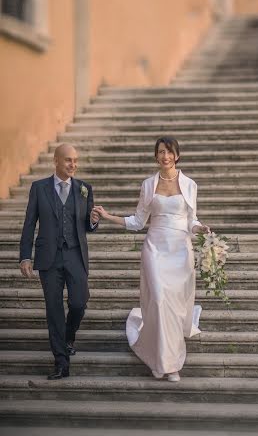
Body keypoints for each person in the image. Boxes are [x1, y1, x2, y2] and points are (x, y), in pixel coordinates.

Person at [92, 136, 209, 382]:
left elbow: (192, 220)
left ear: (177, 155)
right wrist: (108, 216)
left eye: (169, 151)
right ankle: (167, 363)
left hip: (180, 250)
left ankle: (163, 360)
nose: (165, 156)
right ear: (156, 156)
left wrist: (200, 229)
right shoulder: (148, 185)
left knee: (173, 306)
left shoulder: (190, 184)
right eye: (160, 152)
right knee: (157, 299)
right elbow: (137, 221)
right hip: (155, 248)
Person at [19, 143, 98, 379]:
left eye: (75, 160)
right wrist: (25, 255)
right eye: (68, 160)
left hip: (75, 254)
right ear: (56, 161)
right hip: (49, 258)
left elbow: (88, 226)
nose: (73, 164)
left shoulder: (84, 188)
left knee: (79, 303)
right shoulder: (39, 188)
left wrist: (93, 221)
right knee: (53, 309)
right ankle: (61, 362)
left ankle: (68, 336)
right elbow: (29, 223)